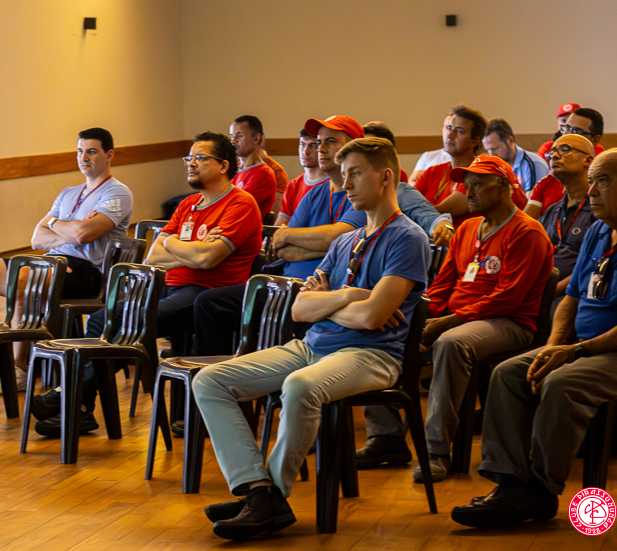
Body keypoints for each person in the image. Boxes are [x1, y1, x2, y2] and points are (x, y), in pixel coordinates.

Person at [192, 137, 430, 540]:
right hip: (311, 345)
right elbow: (300, 310)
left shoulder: (408, 238)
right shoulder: (345, 240)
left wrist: (330, 301)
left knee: (299, 385)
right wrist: (349, 296)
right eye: (344, 174)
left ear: (385, 176)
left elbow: (373, 318)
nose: (345, 184)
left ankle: (271, 497)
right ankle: (257, 488)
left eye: (355, 174)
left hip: (370, 354)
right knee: (210, 380)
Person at [29, 131, 262, 436]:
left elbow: (208, 260)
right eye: (189, 158)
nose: (191, 163)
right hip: (168, 287)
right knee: (101, 319)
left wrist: (175, 243)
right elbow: (154, 255)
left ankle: (70, 397)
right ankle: (80, 404)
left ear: (223, 165)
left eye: (200, 158)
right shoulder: (189, 204)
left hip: (207, 295)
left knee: (125, 324)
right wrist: (188, 250)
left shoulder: (240, 204)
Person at [452, 148, 617, 529]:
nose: (592, 192)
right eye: (592, 182)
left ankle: (540, 489)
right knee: (508, 373)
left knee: (562, 382)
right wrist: (552, 346)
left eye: (602, 182)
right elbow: (571, 297)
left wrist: (576, 350)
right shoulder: (599, 231)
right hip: (582, 346)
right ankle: (510, 484)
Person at [359, 155, 554, 481]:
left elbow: (507, 298)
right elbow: (440, 286)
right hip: (462, 318)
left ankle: (435, 451)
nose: (468, 192)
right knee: (380, 327)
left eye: (478, 184)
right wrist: (417, 318)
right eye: (467, 185)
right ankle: (386, 438)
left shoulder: (527, 231)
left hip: (510, 322)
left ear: (503, 187)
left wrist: (450, 322)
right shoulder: (467, 229)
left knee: (451, 343)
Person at [0, 128, 133, 387]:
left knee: (24, 279)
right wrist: (69, 228)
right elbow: (37, 239)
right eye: (80, 151)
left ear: (109, 155)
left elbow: (84, 234)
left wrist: (57, 224)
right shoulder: (68, 192)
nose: (84, 157)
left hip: (87, 272)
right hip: (52, 260)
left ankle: (18, 367)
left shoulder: (118, 193)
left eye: (92, 151)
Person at [194, 115, 368, 357]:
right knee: (209, 303)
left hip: (321, 292)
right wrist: (327, 244)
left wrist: (316, 241)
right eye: (319, 141)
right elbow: (280, 243)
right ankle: (222, 373)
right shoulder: (315, 194)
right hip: (282, 287)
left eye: (331, 141)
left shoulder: (362, 195)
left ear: (354, 148)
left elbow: (340, 237)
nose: (321, 148)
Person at [538, 135, 596, 313]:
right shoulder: (552, 211)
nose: (554, 156)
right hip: (542, 293)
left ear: (588, 161)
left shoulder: (599, 209)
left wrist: (549, 293)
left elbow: (594, 267)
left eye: (564, 150)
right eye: (552, 152)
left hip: (575, 295)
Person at [527, 107, 607, 220]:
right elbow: (525, 224)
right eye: (566, 128)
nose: (567, 134)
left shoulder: (604, 186)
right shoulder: (548, 182)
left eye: (577, 131)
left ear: (595, 139)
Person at [275, 128, 327, 226]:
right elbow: (280, 225)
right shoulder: (293, 185)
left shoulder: (333, 184)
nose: (305, 151)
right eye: (302, 144)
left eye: (313, 146)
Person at [482, 118, 548, 194]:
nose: (492, 154)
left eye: (495, 149)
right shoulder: (497, 167)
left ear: (510, 140)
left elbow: (532, 200)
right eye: (488, 150)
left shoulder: (533, 164)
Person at [230, 115, 278, 216]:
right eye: (231, 136)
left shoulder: (263, 174)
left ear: (256, 138)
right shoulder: (234, 168)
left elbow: (237, 207)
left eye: (239, 136)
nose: (233, 141)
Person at [408, 114, 452, 185]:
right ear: (442, 130)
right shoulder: (428, 156)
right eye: (448, 127)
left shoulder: (466, 161)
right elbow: (412, 181)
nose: (449, 133)